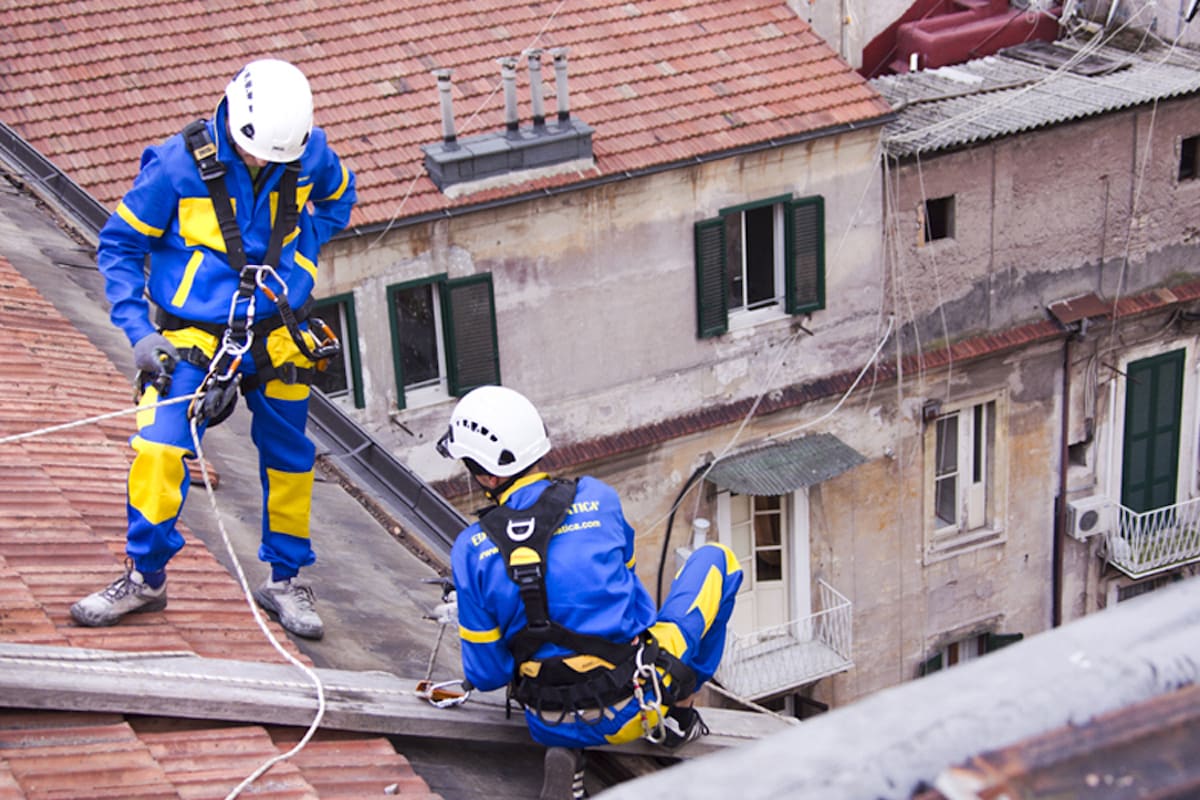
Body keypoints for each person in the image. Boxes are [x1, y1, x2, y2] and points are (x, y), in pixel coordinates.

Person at [70, 58, 356, 639]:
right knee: (159, 450)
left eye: (277, 160)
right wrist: (139, 331)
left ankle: (285, 579)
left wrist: (303, 253)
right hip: (192, 337)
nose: (265, 165)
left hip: (279, 330)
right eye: (257, 155)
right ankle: (145, 577)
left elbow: (337, 200)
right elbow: (119, 246)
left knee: (290, 458)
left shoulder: (307, 151)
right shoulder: (176, 167)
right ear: (236, 122)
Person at [439, 385, 742, 797]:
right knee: (717, 561)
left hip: (544, 717)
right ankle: (680, 716)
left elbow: (486, 675)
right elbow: (637, 611)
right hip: (633, 705)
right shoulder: (599, 499)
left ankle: (569, 746)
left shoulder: (469, 550)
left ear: (488, 474)